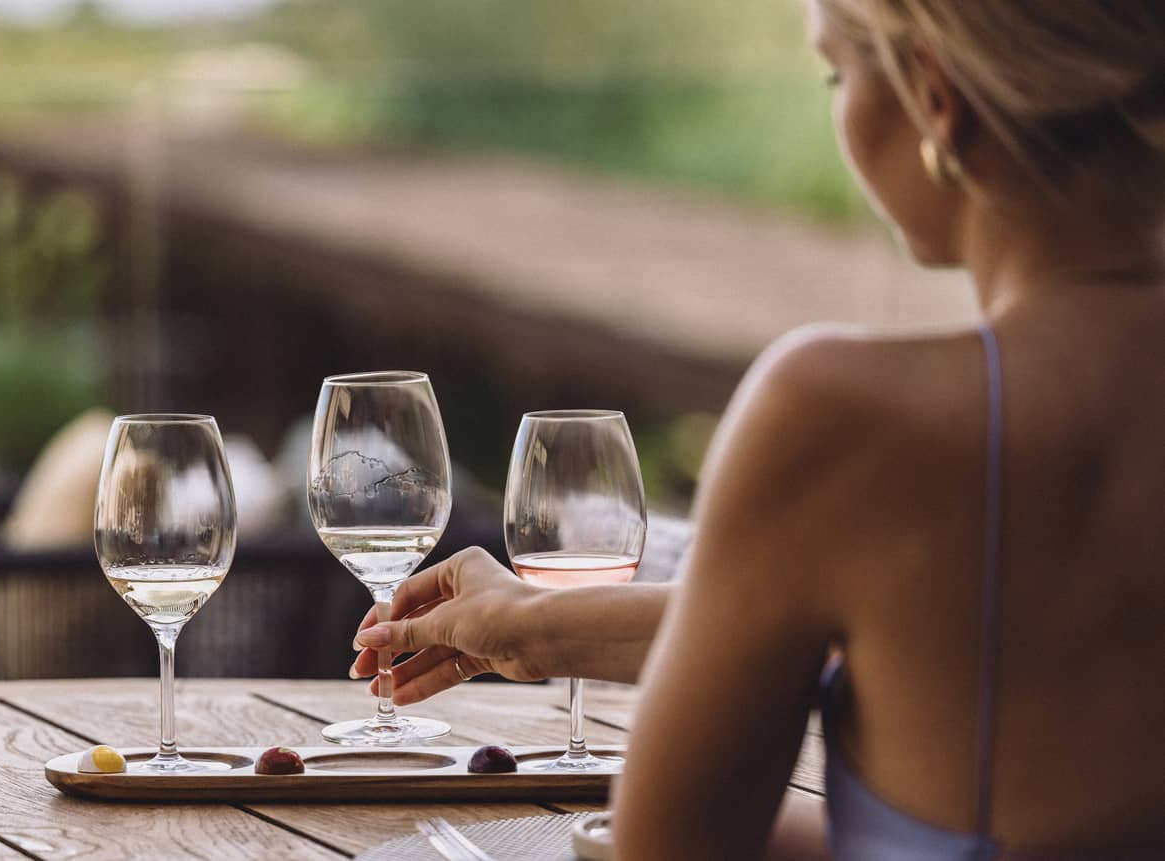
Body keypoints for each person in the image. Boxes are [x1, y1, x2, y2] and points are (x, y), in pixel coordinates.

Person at [350, 1, 1165, 857]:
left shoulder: (843, 416)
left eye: (837, 73)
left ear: (934, 93)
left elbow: (669, 845)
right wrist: (530, 626)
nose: (839, 106)